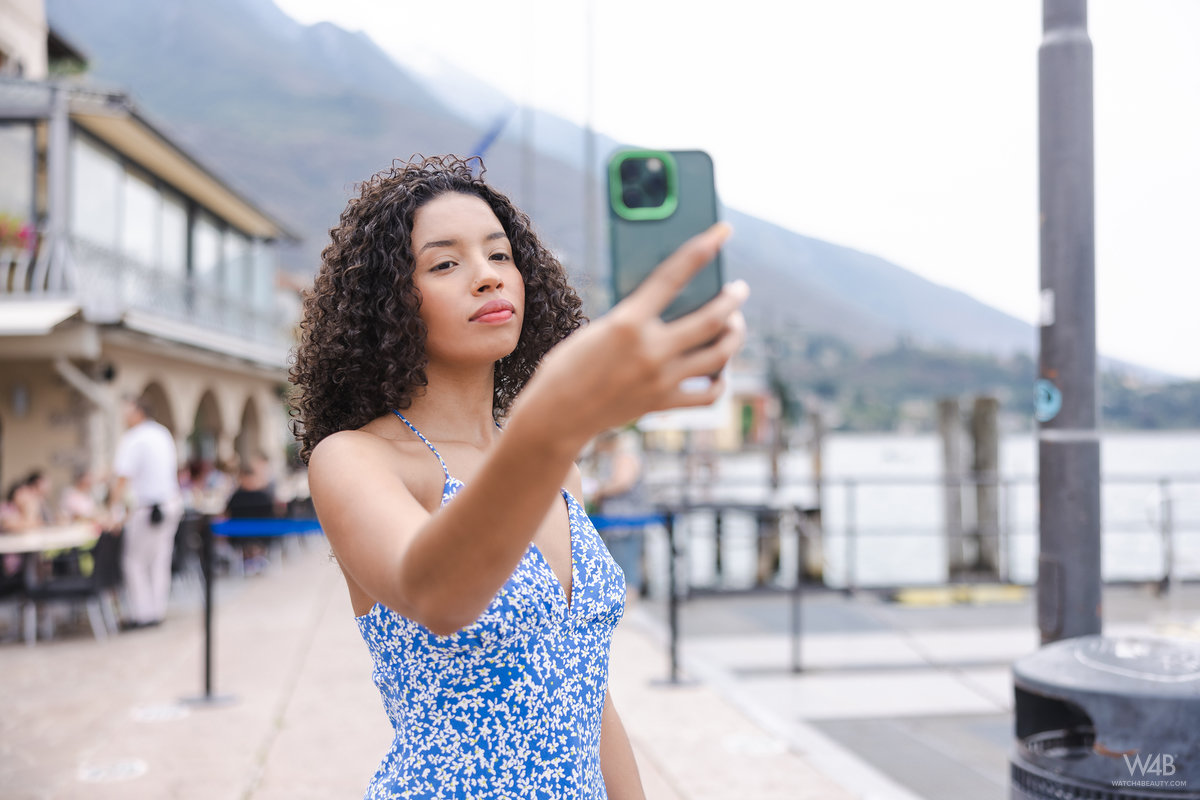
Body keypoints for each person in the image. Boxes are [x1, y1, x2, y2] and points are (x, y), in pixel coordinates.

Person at [291, 155, 746, 799]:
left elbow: (590, 699)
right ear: (386, 301)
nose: (486, 277)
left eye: (501, 256)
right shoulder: (358, 459)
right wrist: (553, 421)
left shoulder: (556, 471)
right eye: (445, 263)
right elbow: (439, 594)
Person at [111, 397, 184, 629]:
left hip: (149, 508)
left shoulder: (134, 438)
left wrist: (112, 510)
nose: (124, 416)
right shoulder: (162, 433)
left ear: (138, 412)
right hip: (170, 504)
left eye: (127, 411)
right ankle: (156, 611)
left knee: (134, 562)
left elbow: (122, 477)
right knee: (159, 560)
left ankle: (143, 614)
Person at [585, 428, 650, 598]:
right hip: (618, 522)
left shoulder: (625, 457)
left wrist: (599, 491)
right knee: (623, 565)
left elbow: (622, 482)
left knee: (625, 567)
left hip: (623, 522)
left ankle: (627, 606)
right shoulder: (621, 456)